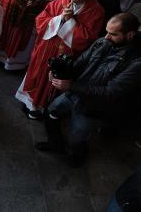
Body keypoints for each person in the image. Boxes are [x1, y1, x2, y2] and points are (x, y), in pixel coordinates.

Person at [35, 13, 141, 167]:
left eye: (113, 34)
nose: (106, 37)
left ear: (129, 35)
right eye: (107, 32)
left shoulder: (136, 63)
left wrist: (71, 86)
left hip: (94, 107)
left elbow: (110, 92)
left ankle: (77, 156)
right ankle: (55, 144)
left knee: (77, 137)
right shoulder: (102, 43)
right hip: (75, 94)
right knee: (51, 113)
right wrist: (60, 71)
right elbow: (80, 63)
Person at [16, 0, 105, 119]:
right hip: (46, 49)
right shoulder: (59, 2)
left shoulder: (96, 11)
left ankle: (46, 108)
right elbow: (40, 20)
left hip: (67, 54)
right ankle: (30, 103)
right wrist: (59, 19)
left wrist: (70, 22)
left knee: (55, 81)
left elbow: (88, 38)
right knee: (38, 75)